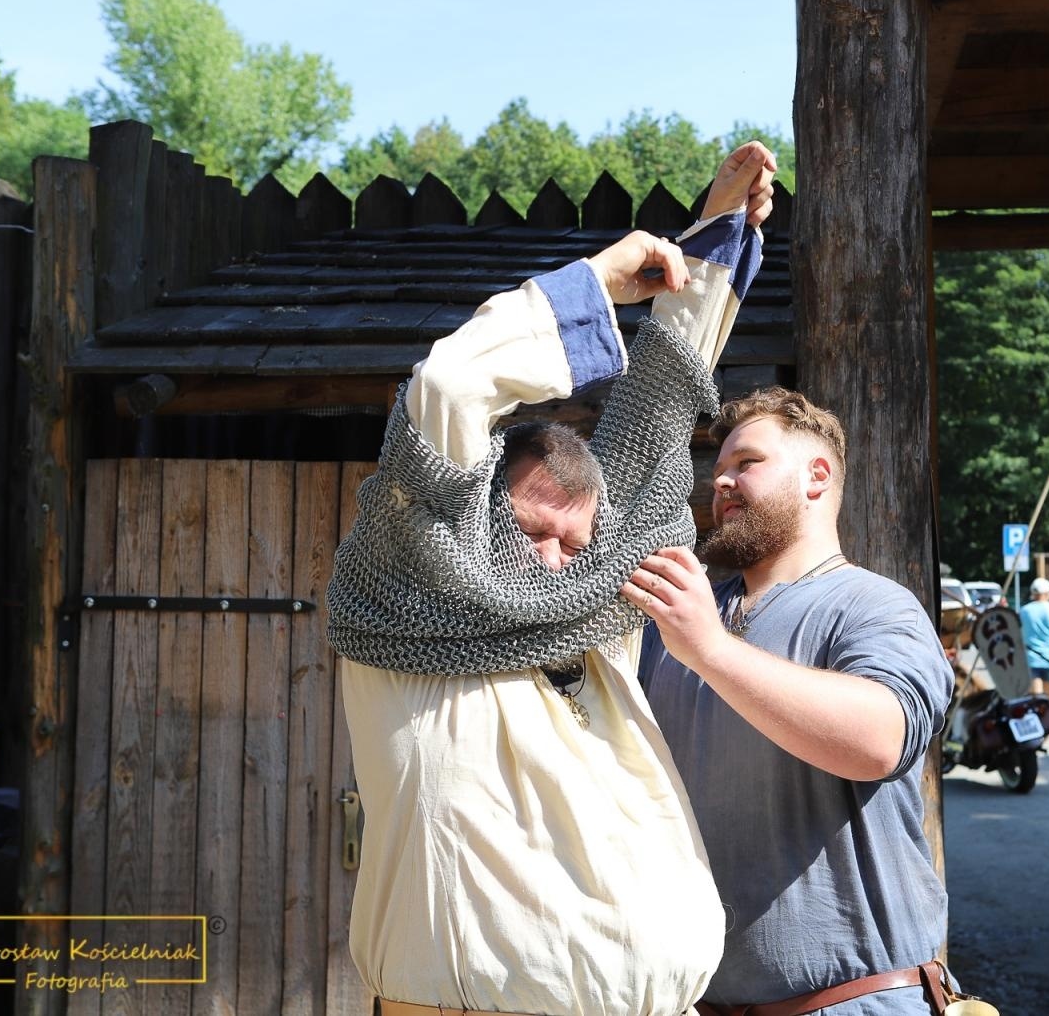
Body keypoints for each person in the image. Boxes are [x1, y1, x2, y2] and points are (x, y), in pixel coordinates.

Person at [328, 142, 777, 1016]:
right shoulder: (410, 599)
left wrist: (716, 237)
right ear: (472, 510)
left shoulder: (599, 612)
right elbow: (450, 385)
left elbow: (656, 417)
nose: (554, 564)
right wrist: (595, 283)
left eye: (576, 544)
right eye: (534, 531)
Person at [632, 388, 959, 1015]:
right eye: (719, 468)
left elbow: (878, 740)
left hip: (851, 1004)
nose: (720, 481)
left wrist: (710, 649)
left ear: (817, 476)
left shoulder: (873, 606)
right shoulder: (677, 619)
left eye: (747, 462)